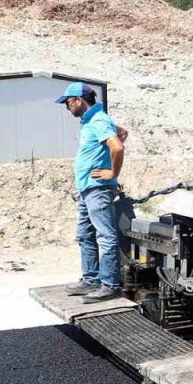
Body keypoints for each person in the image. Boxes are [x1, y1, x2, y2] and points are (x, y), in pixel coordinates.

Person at [56, 82, 126, 303]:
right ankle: (91, 279)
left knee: (105, 236)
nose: (67, 107)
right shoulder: (93, 120)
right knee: (85, 234)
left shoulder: (98, 120)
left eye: (68, 103)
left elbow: (117, 146)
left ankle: (110, 285)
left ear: (79, 100)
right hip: (87, 188)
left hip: (98, 189)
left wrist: (112, 172)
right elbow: (122, 133)